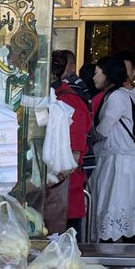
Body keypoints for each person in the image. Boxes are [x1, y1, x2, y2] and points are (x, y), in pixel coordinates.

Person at [89, 56, 135, 243]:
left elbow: (105, 127)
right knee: (117, 203)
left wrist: (91, 133)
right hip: (116, 158)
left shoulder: (117, 96)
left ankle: (123, 256)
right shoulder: (116, 94)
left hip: (119, 161)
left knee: (117, 203)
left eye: (97, 72)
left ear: (107, 74)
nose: (94, 77)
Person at [50, 52, 92, 233]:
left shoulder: (69, 100)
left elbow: (74, 154)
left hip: (63, 189)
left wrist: (52, 179)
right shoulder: (49, 96)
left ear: (52, 73)